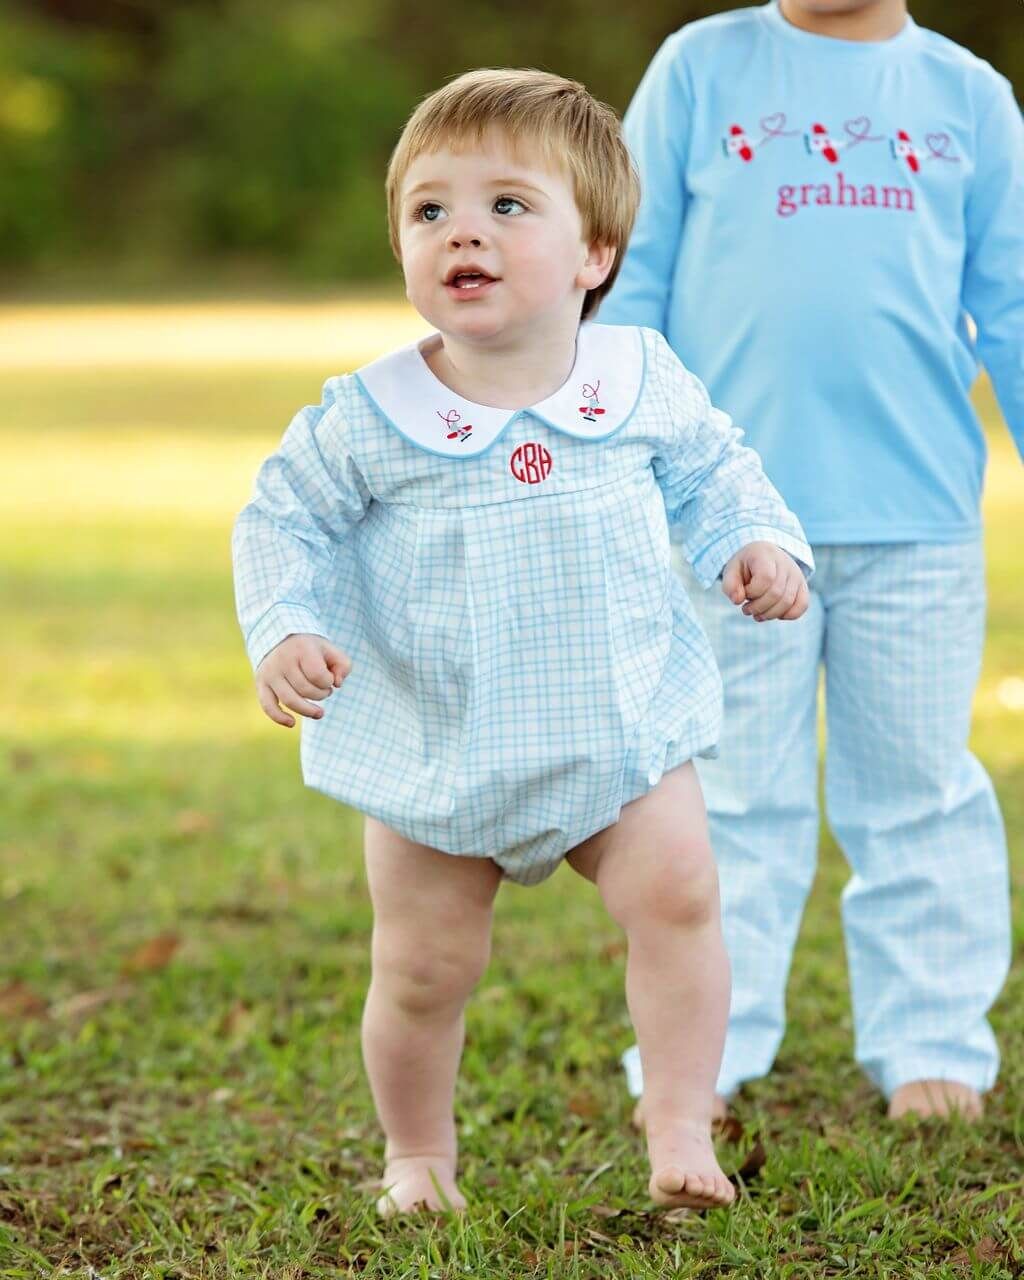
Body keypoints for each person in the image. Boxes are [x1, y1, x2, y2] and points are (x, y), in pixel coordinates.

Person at [232, 68, 815, 1216]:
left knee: (683, 895)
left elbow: (714, 470)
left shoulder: (638, 380)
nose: (464, 233)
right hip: (438, 746)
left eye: (507, 205)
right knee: (423, 966)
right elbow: (281, 517)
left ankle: (680, 1125)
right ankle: (417, 1154)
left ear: (594, 253)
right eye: (430, 209)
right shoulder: (370, 414)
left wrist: (753, 539)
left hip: (618, 732)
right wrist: (285, 622)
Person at [601, 0, 1023, 1123]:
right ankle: (701, 1055)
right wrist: (613, 451)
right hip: (726, 515)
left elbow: (1015, 304)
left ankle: (932, 1038)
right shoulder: (700, 67)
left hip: (918, 513)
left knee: (919, 787)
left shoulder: (968, 96)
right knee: (732, 798)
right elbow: (630, 284)